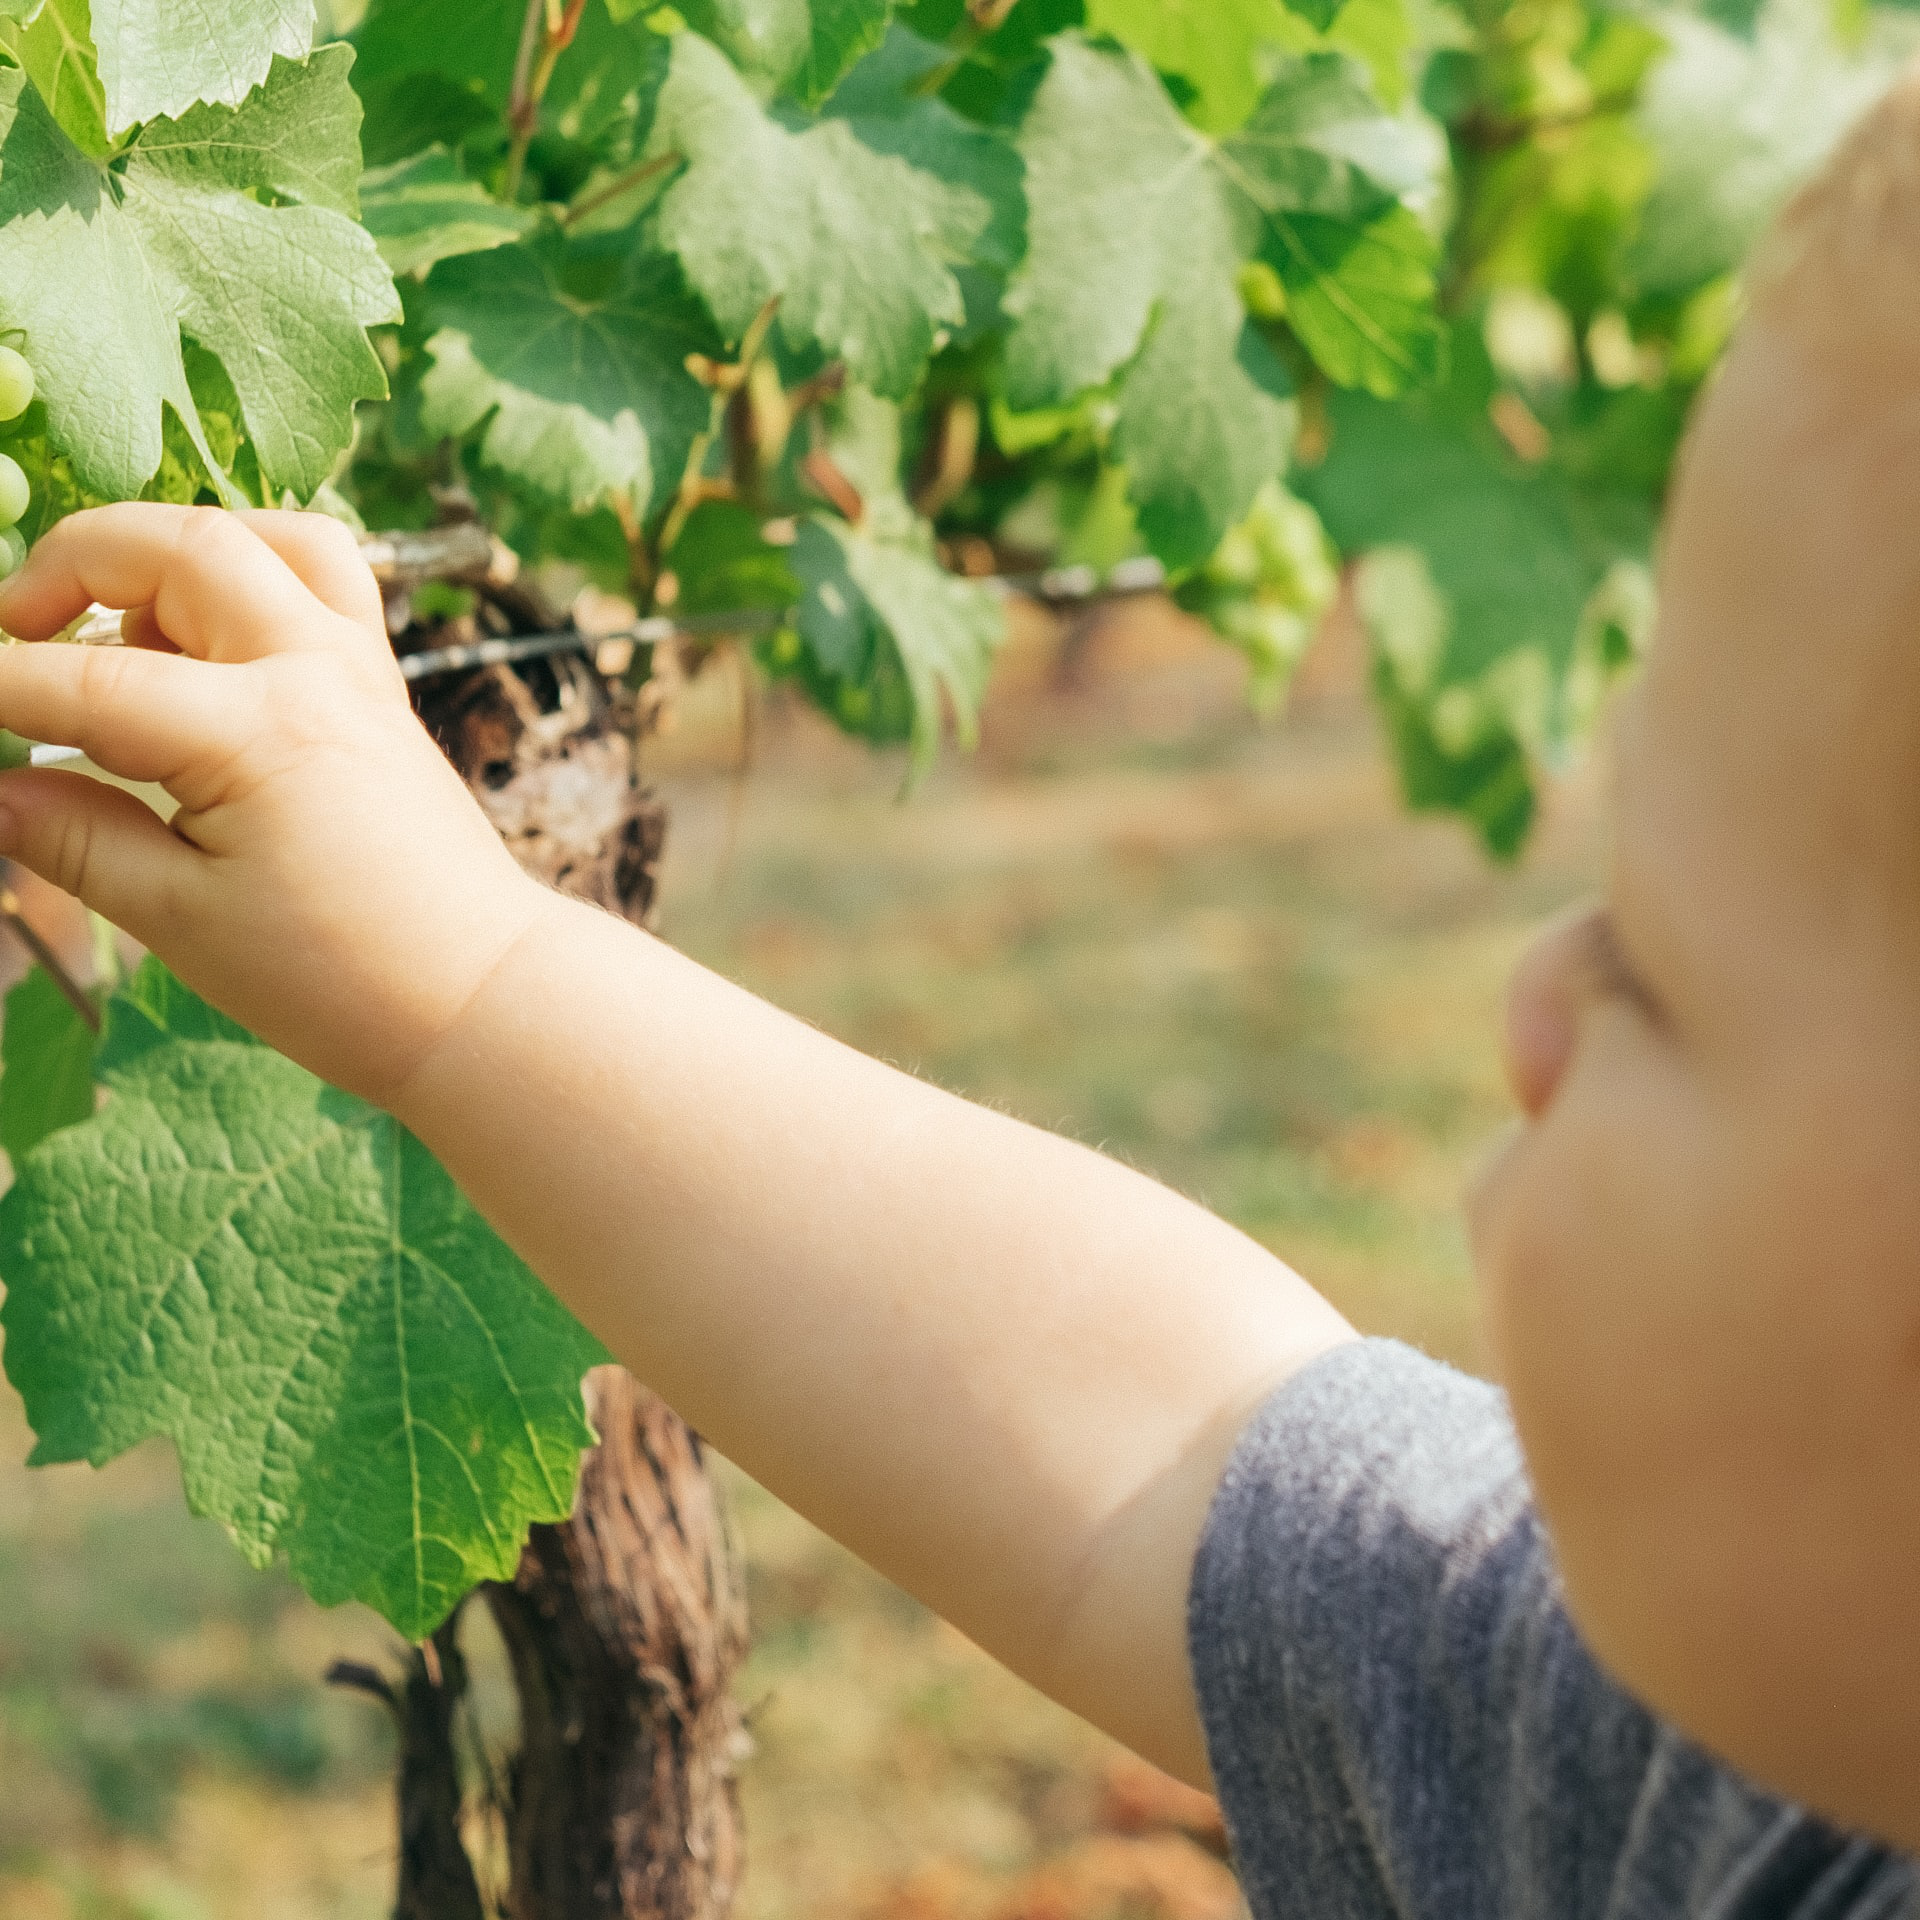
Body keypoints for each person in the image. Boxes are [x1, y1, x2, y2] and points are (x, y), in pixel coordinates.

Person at [3, 62, 1920, 1920]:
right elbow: (1170, 1438)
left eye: (1651, 969)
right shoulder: (1731, 1770)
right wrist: (463, 969)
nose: (1531, 1007)